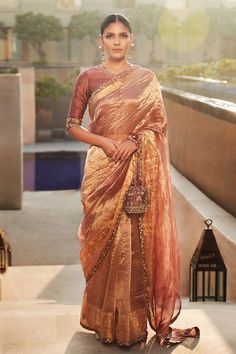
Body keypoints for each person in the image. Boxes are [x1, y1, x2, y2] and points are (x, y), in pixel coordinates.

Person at [66, 13, 200, 348]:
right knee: (104, 246)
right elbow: (72, 124)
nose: (116, 41)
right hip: (103, 168)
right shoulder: (88, 78)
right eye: (109, 36)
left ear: (131, 39)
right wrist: (107, 142)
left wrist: (134, 141)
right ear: (100, 40)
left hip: (138, 170)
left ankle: (131, 326)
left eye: (122, 35)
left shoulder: (146, 78)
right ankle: (105, 322)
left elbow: (158, 123)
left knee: (135, 247)